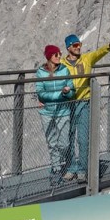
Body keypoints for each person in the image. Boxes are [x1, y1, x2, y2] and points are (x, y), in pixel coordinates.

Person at [59, 34, 110, 182]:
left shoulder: (87, 59)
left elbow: (98, 53)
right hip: (67, 105)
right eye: (75, 45)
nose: (78, 47)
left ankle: (82, 169)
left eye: (79, 44)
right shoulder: (61, 64)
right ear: (68, 48)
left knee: (83, 140)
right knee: (67, 139)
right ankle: (70, 168)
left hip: (84, 103)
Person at [34, 44, 74, 185]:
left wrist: (67, 92)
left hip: (63, 111)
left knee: (64, 144)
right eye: (56, 55)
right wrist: (60, 94)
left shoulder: (65, 70)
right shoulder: (41, 72)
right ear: (49, 57)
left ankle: (65, 165)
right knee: (52, 143)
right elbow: (41, 93)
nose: (59, 57)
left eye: (60, 54)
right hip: (47, 112)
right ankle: (56, 170)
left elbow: (72, 91)